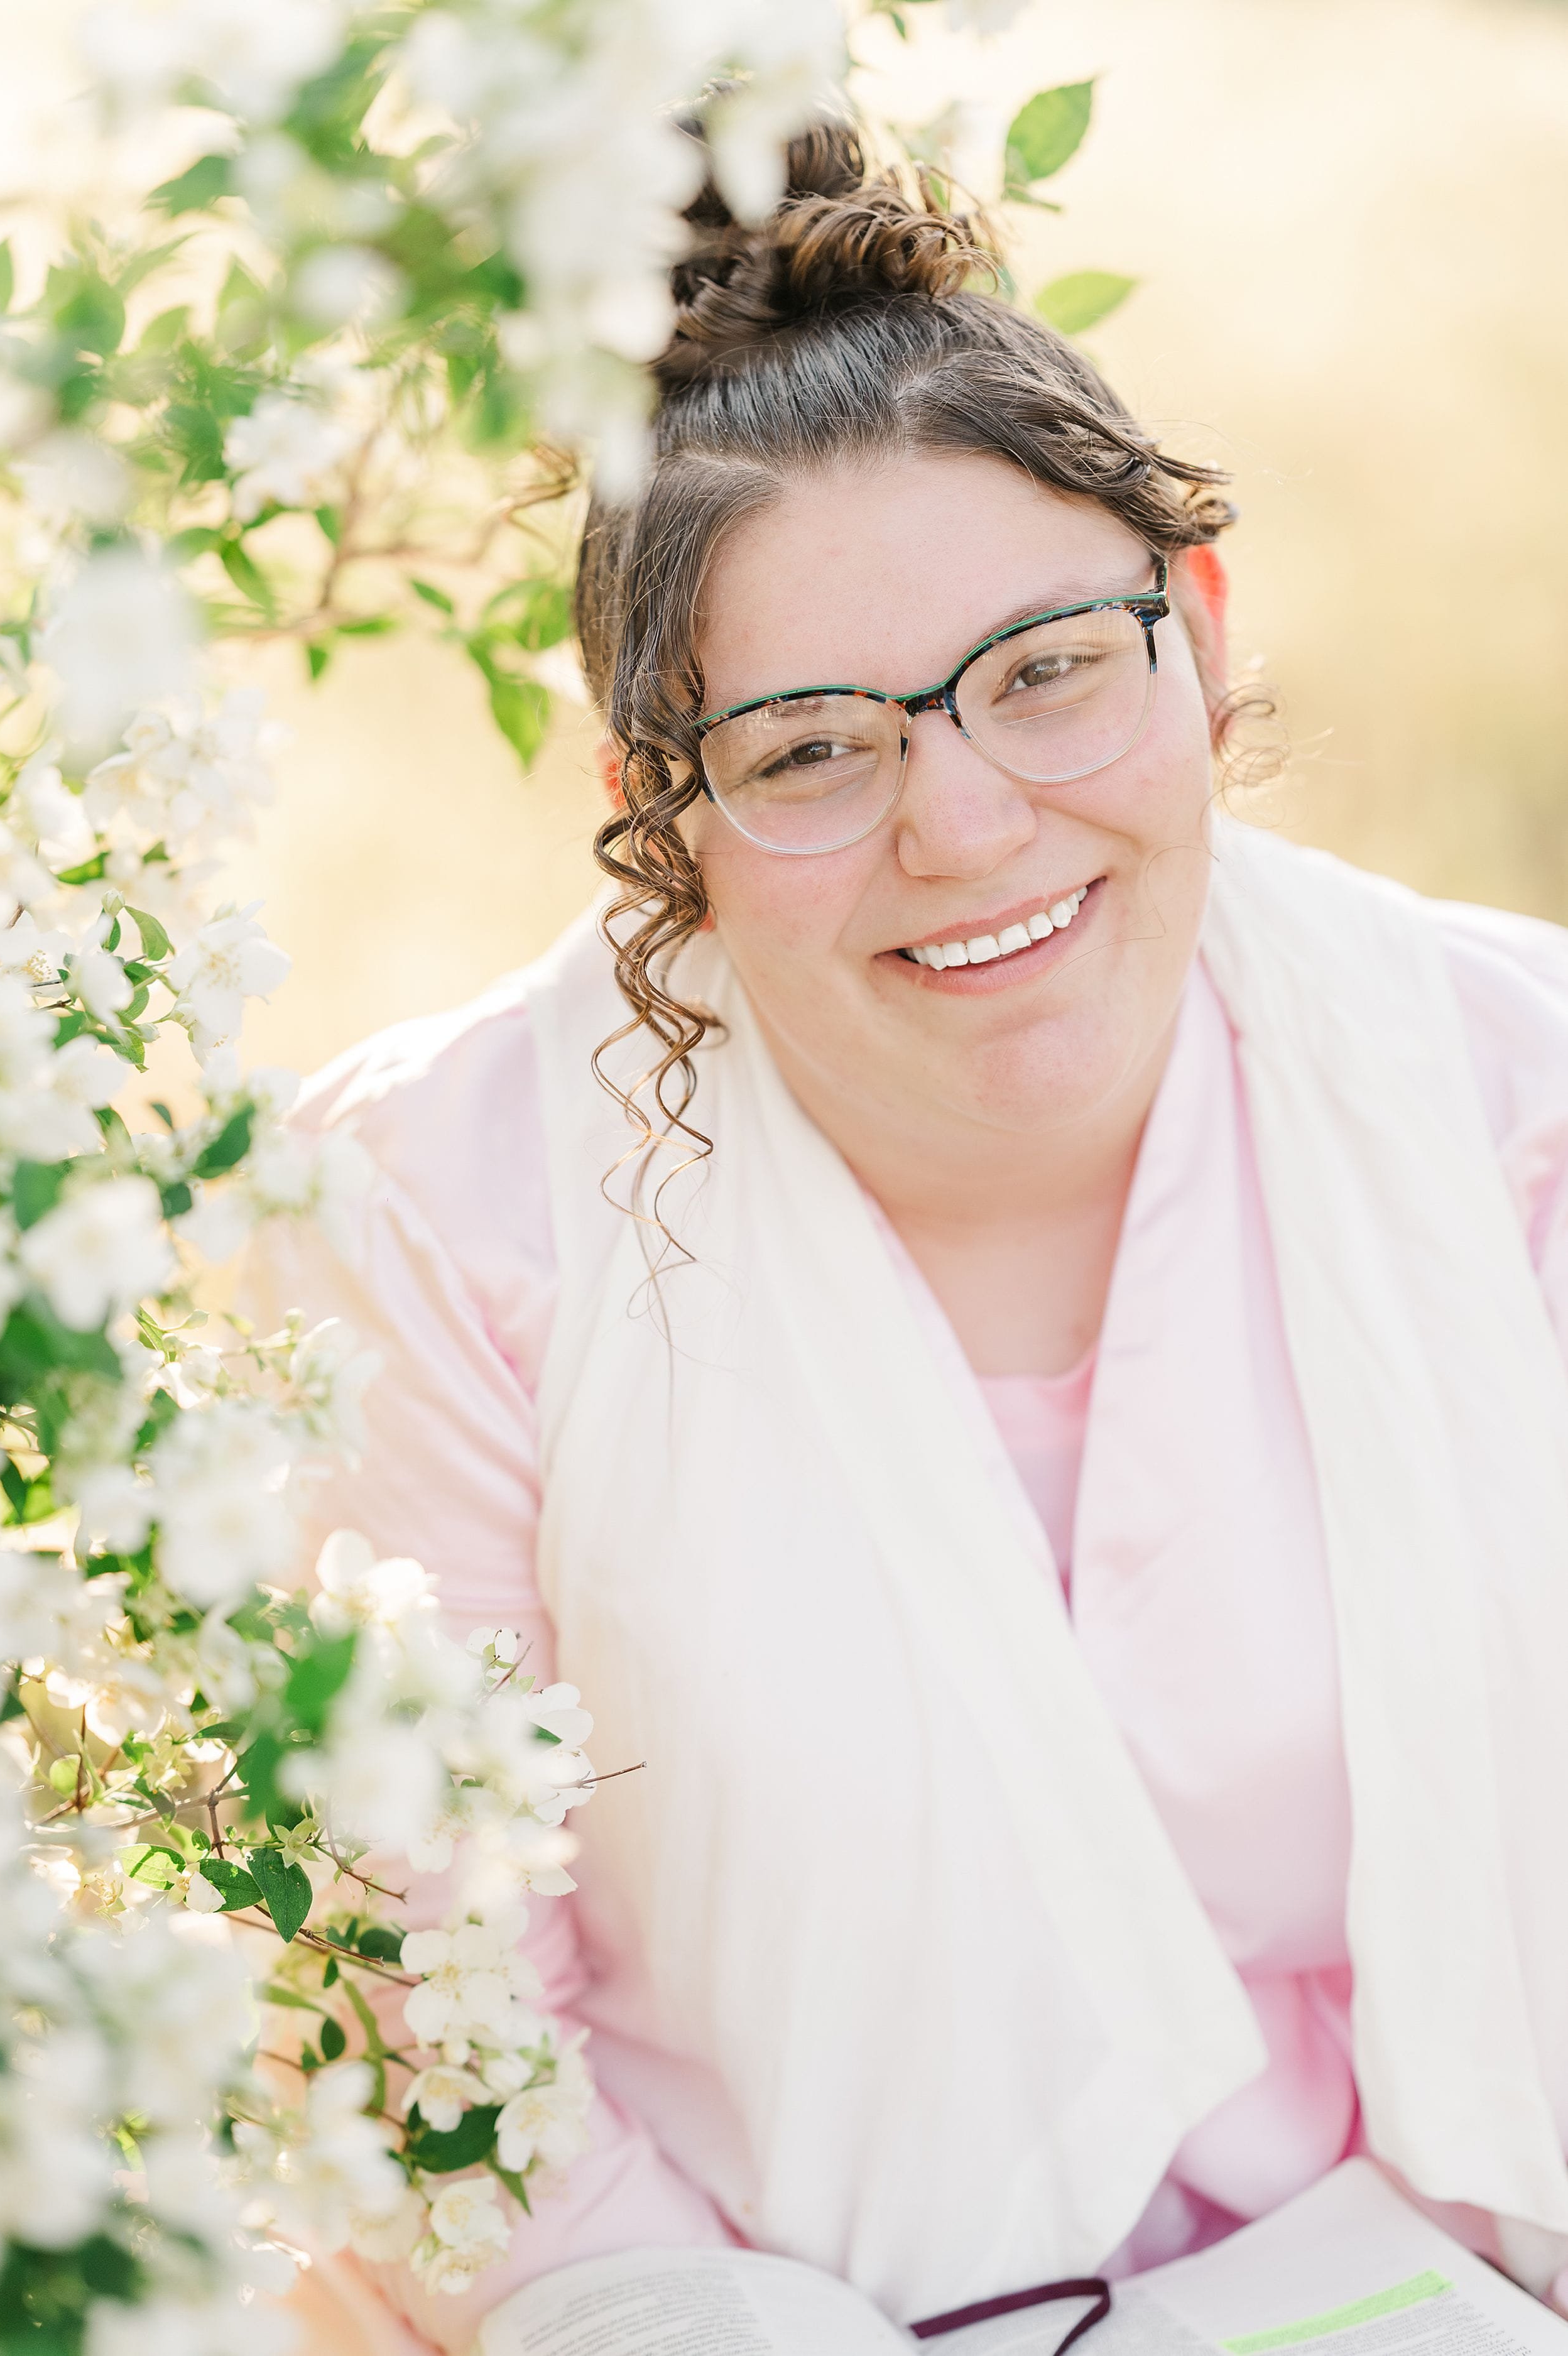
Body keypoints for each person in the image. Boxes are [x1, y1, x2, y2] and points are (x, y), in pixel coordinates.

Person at [247, 119, 1568, 2356]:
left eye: (1047, 668)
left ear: (1201, 627)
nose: (964, 826)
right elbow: (428, 2026)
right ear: (648, 807)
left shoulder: (1504, 1100)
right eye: (807, 749)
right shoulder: (443, 1229)